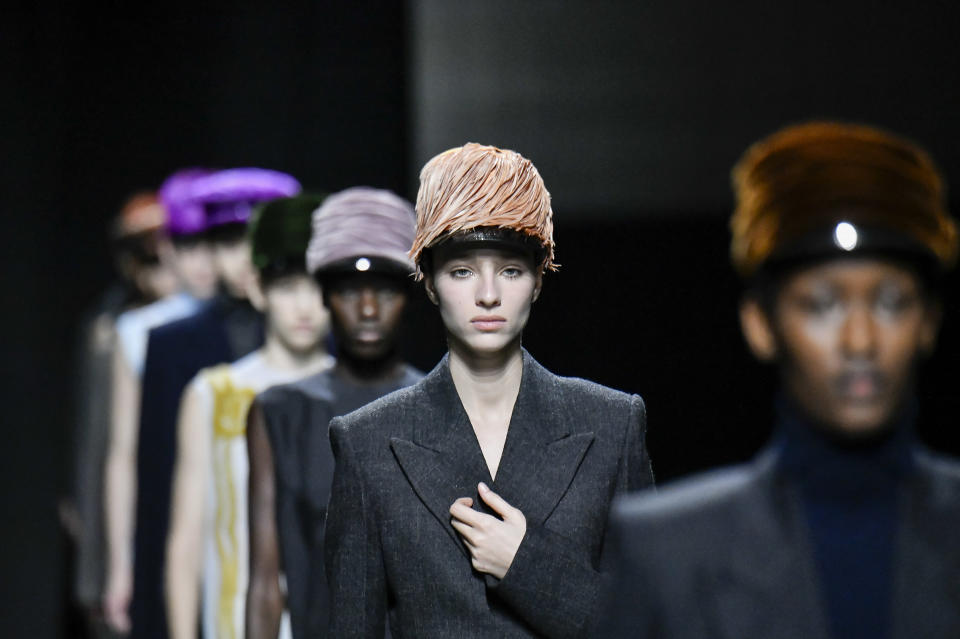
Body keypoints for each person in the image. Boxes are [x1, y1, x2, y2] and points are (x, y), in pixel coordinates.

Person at [598, 121, 960, 639]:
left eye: (890, 302)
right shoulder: (666, 555)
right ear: (760, 324)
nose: (860, 341)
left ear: (928, 320)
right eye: (821, 304)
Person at [324, 143, 655, 638]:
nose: (488, 294)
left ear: (539, 280)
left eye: (511, 270)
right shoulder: (367, 442)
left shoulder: (610, 424)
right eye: (462, 271)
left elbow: (651, 623)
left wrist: (525, 565)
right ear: (430, 282)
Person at [128, 168, 302, 639]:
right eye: (227, 241)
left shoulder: (315, 342)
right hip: (206, 558)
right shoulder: (171, 344)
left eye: (252, 239)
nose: (242, 257)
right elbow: (156, 481)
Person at [245, 187, 423, 639]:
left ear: (410, 295)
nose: (367, 310)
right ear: (324, 295)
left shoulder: (442, 404)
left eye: (384, 290)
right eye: (348, 291)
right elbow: (266, 580)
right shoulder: (280, 413)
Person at [165, 195, 334, 639]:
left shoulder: (358, 397)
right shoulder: (212, 394)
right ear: (258, 288)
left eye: (317, 286)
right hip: (232, 621)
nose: (304, 306)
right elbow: (187, 537)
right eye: (287, 286)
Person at [103, 173, 221, 634]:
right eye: (186, 245)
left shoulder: (253, 324)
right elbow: (122, 453)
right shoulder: (138, 333)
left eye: (209, 243)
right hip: (166, 514)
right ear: (166, 248)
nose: (201, 262)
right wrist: (120, 564)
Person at [67, 192, 176, 638]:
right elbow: (97, 444)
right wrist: (94, 568)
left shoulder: (207, 330)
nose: (153, 262)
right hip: (120, 534)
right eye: (141, 252)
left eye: (161, 248)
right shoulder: (108, 331)